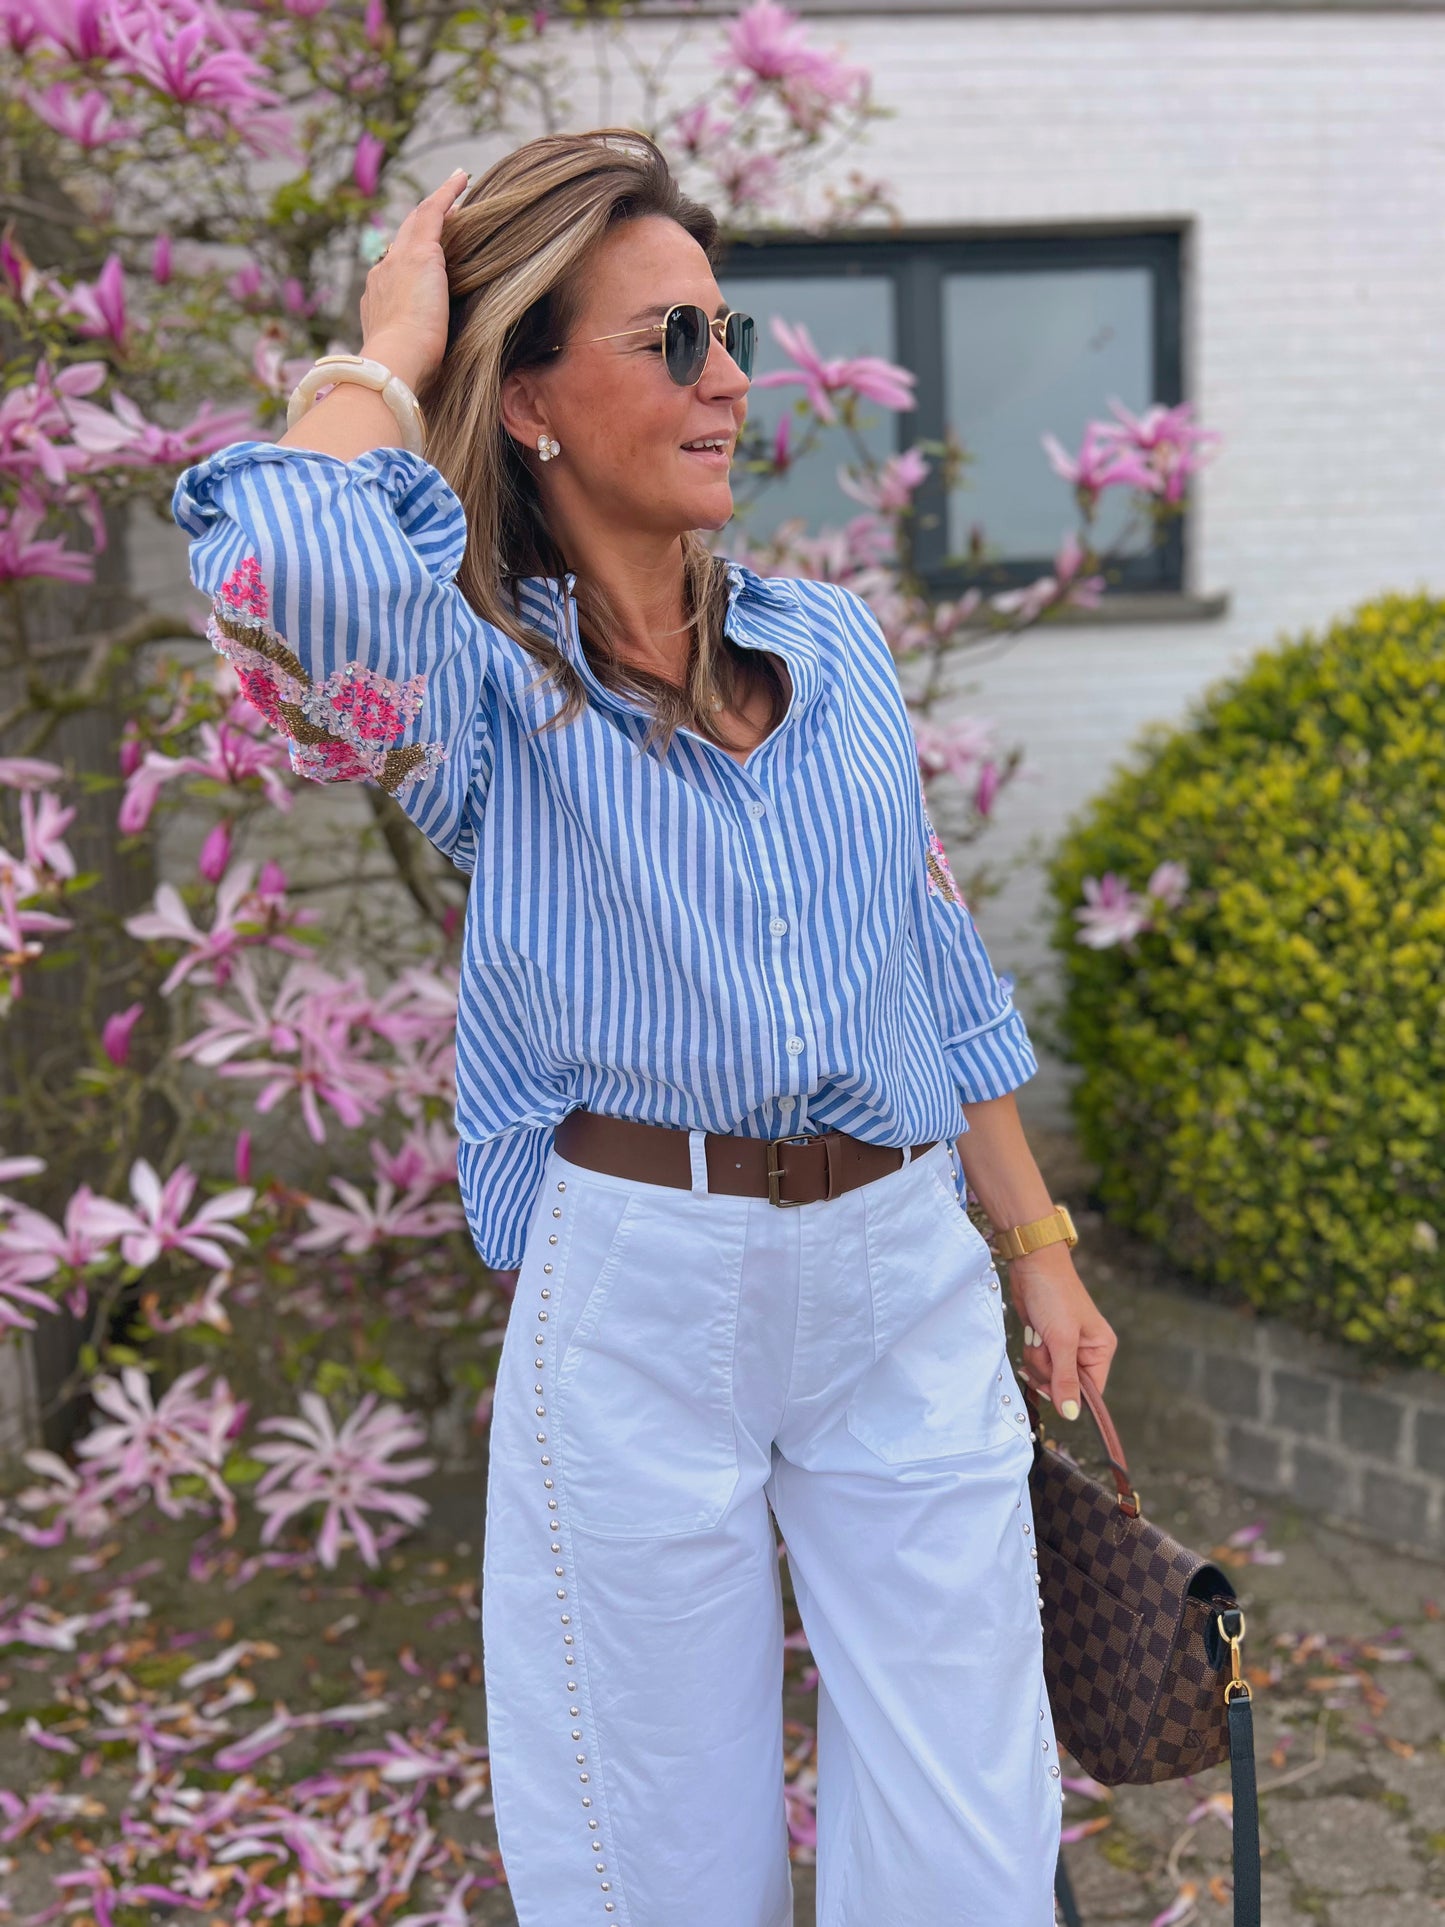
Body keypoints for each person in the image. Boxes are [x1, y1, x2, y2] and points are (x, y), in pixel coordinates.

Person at [171, 127, 1116, 1927]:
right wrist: (389, 344)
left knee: (969, 1822)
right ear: (524, 397)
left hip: (898, 1267)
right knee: (654, 1844)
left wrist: (1038, 1245)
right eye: (668, 341)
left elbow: (926, 951)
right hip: (642, 1285)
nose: (730, 380)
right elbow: (277, 562)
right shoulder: (469, 687)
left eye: (726, 330)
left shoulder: (829, 647)